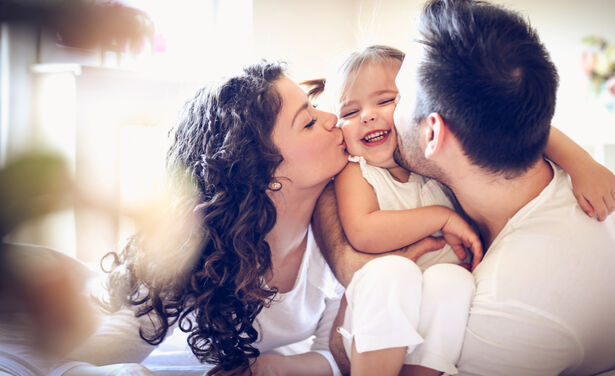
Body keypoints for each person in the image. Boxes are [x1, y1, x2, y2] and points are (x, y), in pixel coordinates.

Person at [47, 61, 441, 376]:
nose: (331, 119)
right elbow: (68, 365)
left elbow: (335, 354)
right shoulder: (192, 256)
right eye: (307, 121)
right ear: (264, 171)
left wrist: (274, 367)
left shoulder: (339, 231)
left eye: (315, 107)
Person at [312, 1, 615, 375]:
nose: (375, 117)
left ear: (434, 133)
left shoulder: (507, 312)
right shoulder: (501, 137)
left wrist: (343, 351)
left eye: (396, 99)